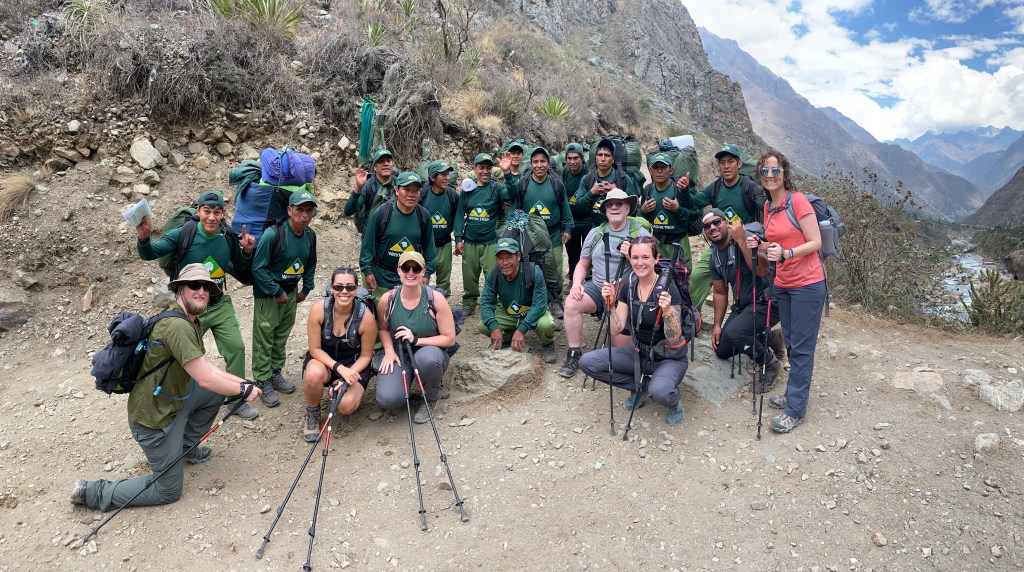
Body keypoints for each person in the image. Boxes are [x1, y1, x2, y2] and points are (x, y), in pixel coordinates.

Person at [71, 264, 263, 510]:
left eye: (207, 287)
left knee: (216, 391)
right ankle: (93, 492)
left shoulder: (189, 320)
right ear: (179, 289)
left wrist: (242, 383)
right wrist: (242, 391)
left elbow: (206, 368)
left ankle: (185, 449)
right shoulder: (178, 326)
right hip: (153, 422)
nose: (201, 291)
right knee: (168, 491)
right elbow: (204, 377)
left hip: (173, 402)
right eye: (194, 285)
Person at [135, 190, 260, 420]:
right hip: (190, 309)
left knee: (237, 348)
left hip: (219, 302)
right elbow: (150, 253)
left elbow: (240, 266)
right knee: (183, 357)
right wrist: (144, 238)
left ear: (223, 214)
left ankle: (236, 400)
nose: (211, 217)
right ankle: (181, 399)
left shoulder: (228, 236)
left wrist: (246, 251)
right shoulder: (183, 234)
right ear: (198, 211)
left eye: (217, 212)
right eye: (207, 211)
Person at [747, 149, 825, 434]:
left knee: (802, 349)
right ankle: (794, 394)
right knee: (792, 343)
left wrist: (788, 252)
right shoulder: (769, 207)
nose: (769, 175)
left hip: (807, 284)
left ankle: (795, 410)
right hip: (784, 283)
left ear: (784, 173)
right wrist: (761, 246)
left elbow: (815, 242)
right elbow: (774, 249)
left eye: (775, 170)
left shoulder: (798, 200)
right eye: (764, 171)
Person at [578, 237, 688, 425]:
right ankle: (641, 386)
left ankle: (672, 401)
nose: (640, 263)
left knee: (660, 392)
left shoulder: (668, 288)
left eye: (645, 257)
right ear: (629, 258)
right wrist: (610, 304)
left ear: (656, 258)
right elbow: (617, 328)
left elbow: (674, 337)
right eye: (635, 257)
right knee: (588, 363)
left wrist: (668, 311)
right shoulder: (629, 285)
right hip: (640, 353)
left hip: (669, 356)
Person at [558, 188, 651, 378]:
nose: (614, 207)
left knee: (621, 351)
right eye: (610, 204)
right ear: (605, 209)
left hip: (625, 295)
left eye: (619, 204)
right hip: (598, 288)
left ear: (627, 208)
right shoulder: (596, 233)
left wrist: (631, 255)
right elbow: (583, 264)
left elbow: (651, 269)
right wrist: (577, 284)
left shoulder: (639, 233)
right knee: (571, 303)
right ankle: (574, 353)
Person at [251, 190, 319, 407]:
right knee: (264, 337)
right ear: (289, 210)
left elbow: (310, 264)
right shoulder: (274, 234)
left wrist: (306, 289)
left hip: (290, 293)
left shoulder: (310, 236)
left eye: (309, 210)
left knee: (281, 335)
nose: (305, 215)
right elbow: (258, 268)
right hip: (269, 295)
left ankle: (275, 371)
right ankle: (262, 379)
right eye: (299, 209)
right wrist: (275, 291)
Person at [704, 208, 782, 391]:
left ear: (727, 223)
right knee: (722, 350)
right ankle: (770, 336)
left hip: (768, 302)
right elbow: (720, 293)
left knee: (735, 333)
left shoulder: (744, 241)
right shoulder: (714, 257)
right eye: (707, 226)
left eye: (717, 222)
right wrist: (717, 325)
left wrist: (741, 239)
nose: (712, 227)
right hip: (744, 306)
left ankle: (769, 364)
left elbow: (762, 271)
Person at [376, 251, 457, 423]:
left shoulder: (435, 300)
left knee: (427, 359)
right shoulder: (388, 300)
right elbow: (382, 329)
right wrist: (389, 351)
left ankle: (430, 397)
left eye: (416, 268)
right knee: (388, 399)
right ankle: (409, 379)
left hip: (430, 351)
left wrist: (417, 340)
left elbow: (449, 338)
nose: (410, 273)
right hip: (400, 353)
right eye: (406, 268)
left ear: (423, 272)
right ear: (399, 271)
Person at [681, 143, 764, 312]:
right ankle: (689, 316)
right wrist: (684, 190)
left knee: (745, 289)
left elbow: (769, 208)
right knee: (696, 277)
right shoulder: (716, 187)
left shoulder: (750, 188)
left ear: (739, 164)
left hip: (743, 245)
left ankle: (752, 325)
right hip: (718, 245)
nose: (726, 166)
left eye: (730, 161)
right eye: (722, 162)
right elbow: (694, 203)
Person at [301, 268, 377, 441]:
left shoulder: (366, 318)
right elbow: (315, 349)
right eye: (339, 287)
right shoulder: (318, 310)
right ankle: (312, 412)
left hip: (355, 363)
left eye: (350, 287)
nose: (344, 292)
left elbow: (366, 356)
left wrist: (346, 375)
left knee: (346, 406)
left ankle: (342, 387)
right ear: (331, 288)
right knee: (313, 374)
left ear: (357, 289)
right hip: (325, 360)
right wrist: (339, 369)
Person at [504, 146, 573, 318]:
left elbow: (565, 207)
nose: (539, 165)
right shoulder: (523, 184)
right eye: (535, 162)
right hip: (530, 236)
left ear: (548, 164)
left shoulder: (557, 185)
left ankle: (556, 300)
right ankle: (533, 301)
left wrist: (568, 228)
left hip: (553, 235)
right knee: (531, 269)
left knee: (554, 268)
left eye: (543, 161)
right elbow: (515, 208)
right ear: (531, 164)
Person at [478, 237, 557, 363]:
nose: (504, 263)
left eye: (509, 257)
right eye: (500, 258)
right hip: (508, 312)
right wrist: (494, 327)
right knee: (484, 326)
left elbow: (539, 305)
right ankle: (507, 338)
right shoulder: (494, 275)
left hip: (531, 311)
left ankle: (547, 343)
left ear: (518, 256)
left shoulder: (533, 272)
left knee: (545, 325)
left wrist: (522, 329)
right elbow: (486, 302)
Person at [359, 171, 437, 299]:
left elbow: (429, 247)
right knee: (382, 315)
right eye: (407, 190)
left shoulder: (423, 215)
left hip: (411, 277)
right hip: (383, 277)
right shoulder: (382, 213)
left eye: (416, 190)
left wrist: (427, 273)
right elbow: (368, 245)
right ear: (396, 190)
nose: (411, 194)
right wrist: (367, 271)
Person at [454, 153, 509, 315]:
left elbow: (512, 193)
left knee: (493, 275)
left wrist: (508, 173)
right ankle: (469, 302)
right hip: (470, 241)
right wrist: (458, 238)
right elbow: (459, 214)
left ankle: (494, 303)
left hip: (490, 242)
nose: (485, 171)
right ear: (475, 169)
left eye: (488, 167)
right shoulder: (467, 189)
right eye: (481, 167)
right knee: (469, 276)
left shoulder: (496, 188)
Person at [639, 152, 700, 264]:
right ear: (650, 171)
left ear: (671, 170)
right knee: (658, 278)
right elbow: (640, 219)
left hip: (679, 243)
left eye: (663, 167)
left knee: (682, 278)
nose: (659, 171)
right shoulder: (648, 190)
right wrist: (643, 211)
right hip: (656, 244)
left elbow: (695, 215)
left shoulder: (680, 188)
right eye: (656, 168)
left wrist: (678, 209)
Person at [573, 138, 638, 228]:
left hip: (619, 229)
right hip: (595, 228)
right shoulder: (587, 178)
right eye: (600, 155)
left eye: (607, 155)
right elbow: (578, 209)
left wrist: (615, 192)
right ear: (595, 158)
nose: (603, 159)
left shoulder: (623, 179)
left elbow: (634, 210)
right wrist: (591, 192)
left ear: (613, 159)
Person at [421, 160, 458, 295]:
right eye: (442, 174)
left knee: (443, 279)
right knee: (421, 278)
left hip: (444, 243)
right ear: (432, 177)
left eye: (448, 174)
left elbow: (458, 216)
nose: (447, 177)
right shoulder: (422, 194)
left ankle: (442, 307)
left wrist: (458, 237)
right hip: (423, 245)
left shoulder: (452, 194)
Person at [346, 149, 396, 233]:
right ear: (375, 168)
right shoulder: (368, 186)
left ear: (392, 165)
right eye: (381, 161)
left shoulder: (400, 184)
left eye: (388, 161)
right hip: (372, 235)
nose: (386, 164)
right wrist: (358, 187)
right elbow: (348, 211)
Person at [562, 142, 591, 281]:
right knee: (572, 254)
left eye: (575, 158)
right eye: (569, 158)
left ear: (582, 158)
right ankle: (574, 279)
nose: (572, 162)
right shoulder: (565, 172)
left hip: (588, 221)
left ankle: (589, 281)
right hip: (572, 221)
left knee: (587, 254)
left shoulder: (589, 174)